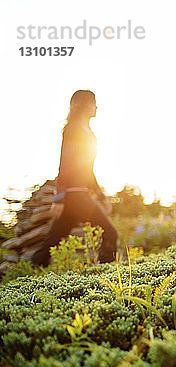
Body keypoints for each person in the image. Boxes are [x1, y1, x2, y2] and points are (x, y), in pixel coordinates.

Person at [32, 90, 118, 266]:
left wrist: (101, 196)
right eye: (93, 103)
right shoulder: (73, 129)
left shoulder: (88, 132)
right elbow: (64, 164)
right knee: (109, 232)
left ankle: (32, 269)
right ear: (84, 105)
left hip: (77, 196)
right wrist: (59, 198)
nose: (96, 107)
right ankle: (105, 275)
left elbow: (88, 170)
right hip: (75, 196)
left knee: (52, 241)